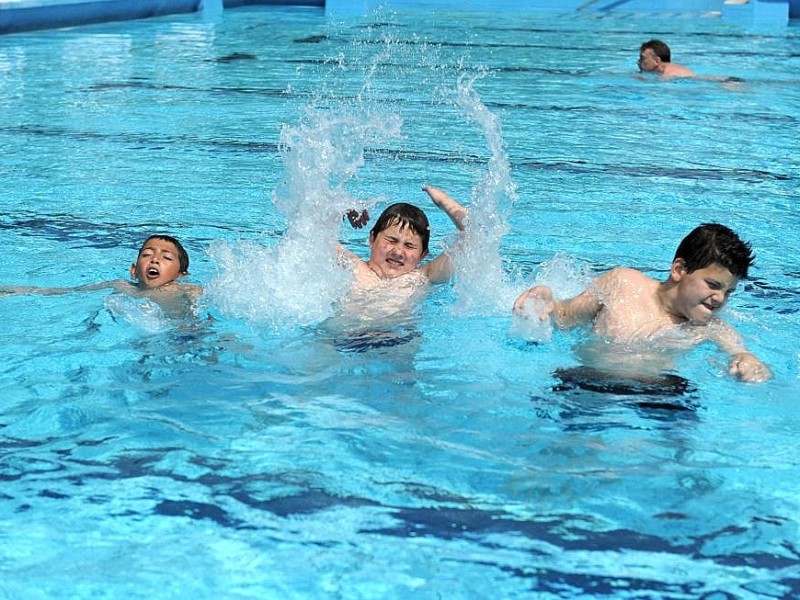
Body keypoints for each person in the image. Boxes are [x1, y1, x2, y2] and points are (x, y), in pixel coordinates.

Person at [513, 224, 771, 384]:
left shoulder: (708, 328)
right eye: (713, 285)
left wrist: (746, 359)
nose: (720, 299)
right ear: (680, 269)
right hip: (589, 378)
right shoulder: (622, 284)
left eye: (729, 292)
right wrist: (546, 299)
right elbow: (565, 318)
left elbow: (737, 349)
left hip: (660, 391)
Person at [1, 234, 202, 317]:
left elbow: (202, 311)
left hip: (179, 335)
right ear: (133, 270)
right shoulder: (122, 286)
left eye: (166, 258)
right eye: (147, 255)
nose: (155, 260)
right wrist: (18, 291)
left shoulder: (186, 289)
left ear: (181, 274)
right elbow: (67, 292)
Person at [339, 185, 468, 290]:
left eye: (409, 245)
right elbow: (320, 235)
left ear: (423, 255)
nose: (398, 252)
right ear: (372, 239)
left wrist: (446, 203)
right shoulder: (352, 267)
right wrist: (342, 207)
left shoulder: (422, 280)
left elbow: (476, 235)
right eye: (391, 240)